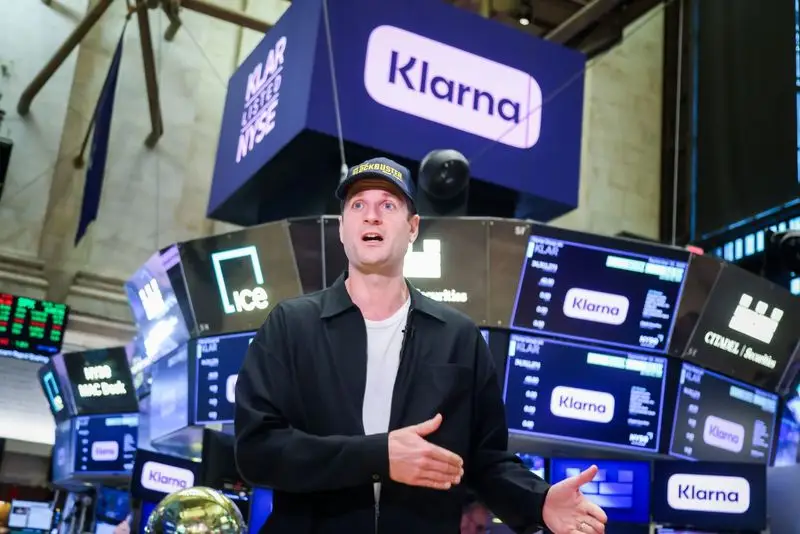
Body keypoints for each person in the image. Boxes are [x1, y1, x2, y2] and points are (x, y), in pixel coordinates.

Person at [234, 157, 608, 534]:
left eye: (388, 205)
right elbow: (257, 451)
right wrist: (379, 456)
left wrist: (539, 501)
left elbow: (487, 460)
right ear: (342, 228)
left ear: (413, 227)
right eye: (358, 205)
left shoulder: (458, 337)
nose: (371, 216)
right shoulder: (291, 325)